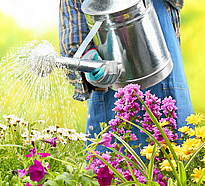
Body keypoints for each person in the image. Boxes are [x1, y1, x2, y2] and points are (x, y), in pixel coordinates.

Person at [59, 0, 194, 150]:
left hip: (166, 90)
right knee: (113, 167)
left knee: (174, 163)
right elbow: (73, 45)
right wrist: (90, 63)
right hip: (112, 98)